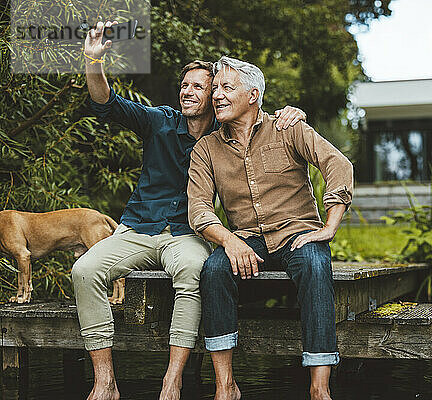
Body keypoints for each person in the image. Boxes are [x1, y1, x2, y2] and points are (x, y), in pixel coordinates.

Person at [73, 22, 306, 400]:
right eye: (185, 86)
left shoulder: (226, 132)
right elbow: (106, 102)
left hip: (187, 235)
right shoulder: (159, 122)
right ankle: (105, 382)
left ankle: (173, 379)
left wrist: (292, 112)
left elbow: (259, 114)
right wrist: (93, 61)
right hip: (138, 228)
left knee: (194, 271)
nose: (188, 92)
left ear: (215, 94)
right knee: (84, 269)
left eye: (199, 86)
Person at [187, 56, 354, 400]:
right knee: (214, 270)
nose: (216, 95)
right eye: (214, 88)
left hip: (297, 233)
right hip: (247, 241)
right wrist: (229, 241)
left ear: (253, 95)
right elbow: (199, 207)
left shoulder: (288, 127)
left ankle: (319, 388)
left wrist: (330, 226)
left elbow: (337, 163)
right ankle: (225, 386)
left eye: (226, 87)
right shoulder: (206, 149)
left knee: (315, 264)